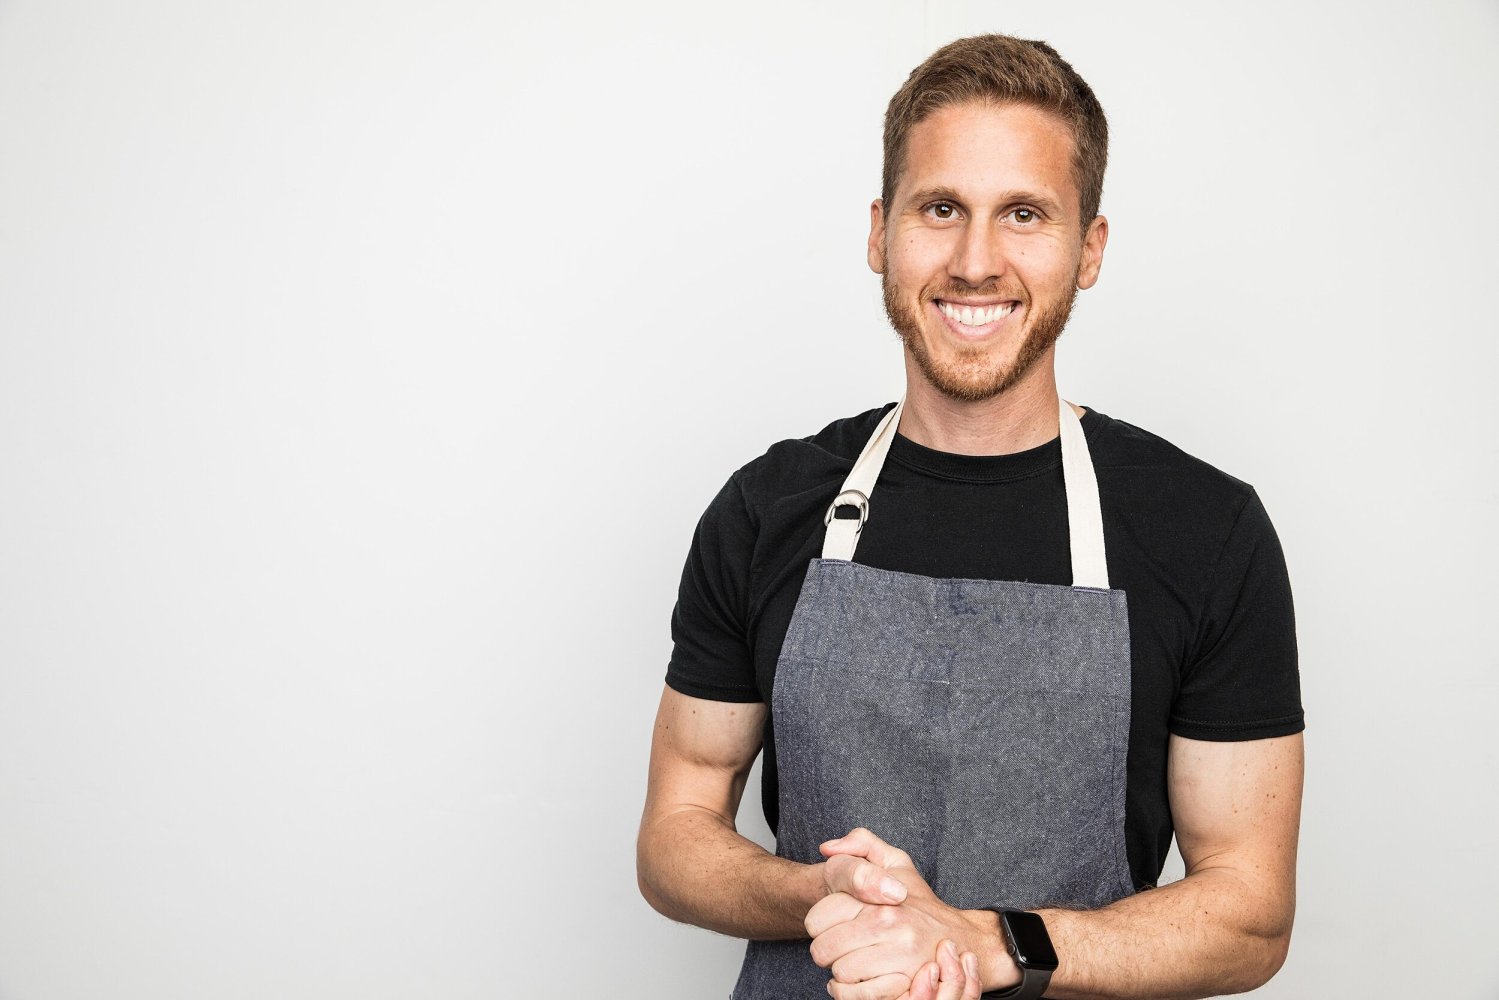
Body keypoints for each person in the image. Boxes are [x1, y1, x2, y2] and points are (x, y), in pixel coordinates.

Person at [637, 33, 1304, 1000]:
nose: (975, 261)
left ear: (1089, 249)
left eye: (1023, 214)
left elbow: (1249, 916)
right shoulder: (764, 509)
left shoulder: (1206, 531)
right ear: (880, 233)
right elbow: (673, 835)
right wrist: (825, 894)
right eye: (939, 208)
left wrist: (990, 943)